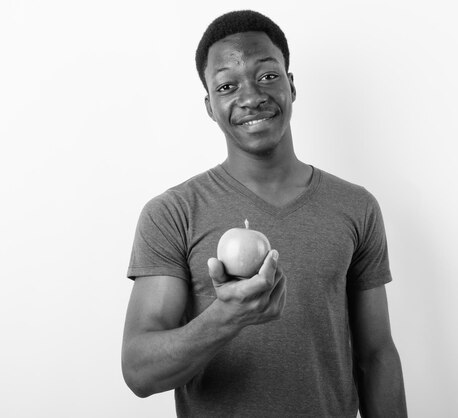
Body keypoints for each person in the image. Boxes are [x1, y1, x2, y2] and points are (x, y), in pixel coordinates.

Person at [121, 9, 407, 418]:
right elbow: (139, 372)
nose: (251, 95)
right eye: (226, 85)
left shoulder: (356, 207)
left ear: (291, 85)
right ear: (210, 106)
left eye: (268, 76)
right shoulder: (172, 213)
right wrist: (227, 317)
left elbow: (376, 355)